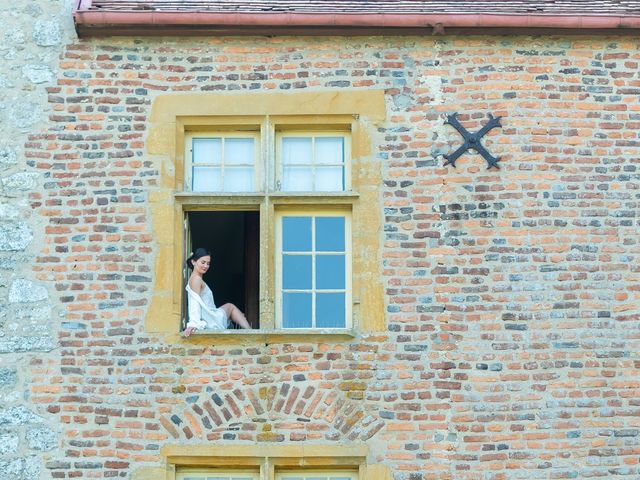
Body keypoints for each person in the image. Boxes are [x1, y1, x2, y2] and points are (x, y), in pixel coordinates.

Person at [183, 248, 251, 336]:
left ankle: (248, 329)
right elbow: (194, 302)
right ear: (193, 262)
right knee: (230, 307)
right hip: (210, 318)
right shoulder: (196, 279)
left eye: (208, 263)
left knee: (231, 308)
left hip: (211, 315)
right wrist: (193, 323)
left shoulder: (197, 278)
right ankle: (250, 330)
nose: (206, 266)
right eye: (203, 262)